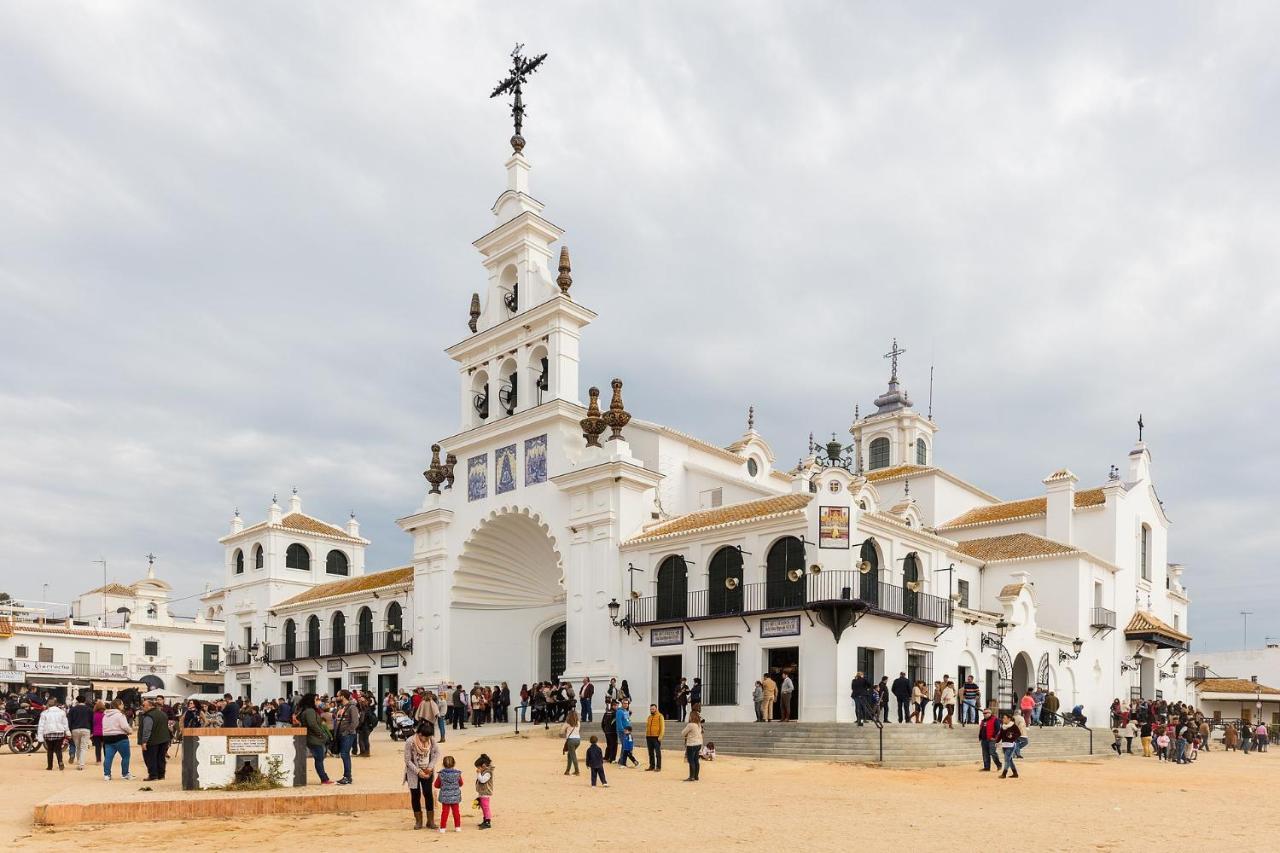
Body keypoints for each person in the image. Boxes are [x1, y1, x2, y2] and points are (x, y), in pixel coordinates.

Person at [404, 721, 438, 830]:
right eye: (426, 737)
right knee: (415, 795)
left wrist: (430, 767)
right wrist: (418, 771)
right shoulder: (410, 742)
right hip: (414, 772)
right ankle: (418, 821)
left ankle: (430, 820)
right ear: (420, 734)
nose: (427, 740)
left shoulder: (431, 740)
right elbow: (408, 760)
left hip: (427, 771)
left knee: (428, 793)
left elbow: (436, 754)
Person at [297, 694, 332, 785]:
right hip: (315, 738)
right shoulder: (310, 711)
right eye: (316, 699)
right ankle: (324, 779)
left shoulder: (305, 710)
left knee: (319, 759)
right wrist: (322, 734)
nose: (318, 701)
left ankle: (324, 778)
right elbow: (312, 724)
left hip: (312, 737)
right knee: (319, 759)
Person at [138, 697, 172, 781]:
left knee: (150, 758)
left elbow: (147, 729)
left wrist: (144, 742)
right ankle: (161, 775)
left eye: (144, 705)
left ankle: (153, 775)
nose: (142, 707)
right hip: (164, 739)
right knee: (161, 758)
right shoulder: (163, 714)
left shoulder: (149, 716)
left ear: (150, 706)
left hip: (152, 741)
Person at [101, 698, 134, 781]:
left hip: (107, 738)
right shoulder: (120, 715)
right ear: (118, 705)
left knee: (108, 757)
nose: (123, 706)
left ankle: (107, 774)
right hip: (120, 738)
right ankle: (125, 774)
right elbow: (125, 726)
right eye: (122, 704)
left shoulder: (105, 715)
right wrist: (130, 731)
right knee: (125, 756)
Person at [36, 696, 69, 771]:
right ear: (56, 704)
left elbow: (41, 725)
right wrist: (67, 731)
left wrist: (40, 736)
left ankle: (49, 766)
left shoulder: (44, 713)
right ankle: (60, 762)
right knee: (58, 749)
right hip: (59, 732)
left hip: (48, 733)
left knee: (50, 750)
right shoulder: (62, 712)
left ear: (48, 704)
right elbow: (65, 723)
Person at [334, 689, 359, 784]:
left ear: (343, 696)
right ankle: (346, 776)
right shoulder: (341, 707)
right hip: (340, 734)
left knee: (345, 754)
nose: (336, 698)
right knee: (343, 754)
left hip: (348, 735)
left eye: (338, 696)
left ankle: (347, 777)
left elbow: (355, 722)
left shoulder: (352, 707)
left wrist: (346, 731)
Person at [433, 755, 464, 833]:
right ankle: (458, 827)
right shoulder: (458, 774)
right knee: (456, 812)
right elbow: (461, 784)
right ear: (454, 763)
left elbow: (436, 785)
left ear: (443, 764)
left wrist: (443, 785)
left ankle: (443, 828)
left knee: (445, 812)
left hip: (445, 796)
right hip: (455, 796)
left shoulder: (441, 774)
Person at [67, 694, 93, 771]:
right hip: (86, 729)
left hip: (75, 729)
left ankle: (79, 762)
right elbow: (92, 721)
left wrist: (69, 730)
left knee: (77, 747)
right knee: (83, 747)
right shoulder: (89, 709)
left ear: (77, 701)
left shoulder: (72, 709)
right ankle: (81, 764)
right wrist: (92, 731)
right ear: (84, 701)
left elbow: (69, 720)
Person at [681, 711, 704, 781]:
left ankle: (691, 776)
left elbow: (682, 733)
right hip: (698, 744)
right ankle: (696, 776)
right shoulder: (698, 724)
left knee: (691, 761)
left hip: (691, 744)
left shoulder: (690, 725)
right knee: (696, 760)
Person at [998, 712, 1022, 778]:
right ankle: (1015, 773)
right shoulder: (1003, 726)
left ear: (1009, 719)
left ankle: (1004, 774)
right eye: (1003, 718)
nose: (1003, 719)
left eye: (1004, 718)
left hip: (1011, 745)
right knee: (1009, 760)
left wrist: (1012, 735)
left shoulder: (1013, 725)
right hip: (1004, 745)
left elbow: (1019, 734)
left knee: (1006, 759)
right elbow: (1000, 735)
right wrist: (996, 742)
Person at [474, 753, 494, 830]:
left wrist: (478, 773)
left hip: (486, 792)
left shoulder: (488, 772)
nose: (477, 769)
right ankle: (485, 820)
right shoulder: (484, 771)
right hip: (482, 793)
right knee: (483, 806)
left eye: (478, 767)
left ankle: (488, 822)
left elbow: (482, 780)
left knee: (486, 807)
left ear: (484, 765)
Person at [978, 707, 1001, 772]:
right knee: (985, 754)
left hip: (992, 740)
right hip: (984, 740)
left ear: (990, 713)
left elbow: (998, 729)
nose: (984, 714)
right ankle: (987, 767)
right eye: (983, 713)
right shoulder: (983, 721)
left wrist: (993, 736)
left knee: (992, 752)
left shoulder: (995, 720)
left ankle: (999, 764)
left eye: (985, 713)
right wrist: (980, 736)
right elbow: (981, 729)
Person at [645, 703, 664, 771]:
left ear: (656, 709)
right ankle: (652, 766)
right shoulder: (649, 717)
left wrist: (660, 736)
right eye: (651, 709)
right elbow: (647, 726)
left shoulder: (660, 716)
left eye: (653, 709)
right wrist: (646, 734)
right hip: (649, 736)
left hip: (656, 737)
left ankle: (658, 767)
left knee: (657, 753)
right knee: (650, 753)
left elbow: (662, 727)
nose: (652, 710)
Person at [562, 710, 581, 776]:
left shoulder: (567, 723)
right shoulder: (578, 723)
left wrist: (566, 732)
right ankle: (567, 770)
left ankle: (577, 770)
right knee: (570, 755)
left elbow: (562, 731)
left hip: (571, 740)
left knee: (573, 756)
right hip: (578, 739)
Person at [614, 700, 633, 765]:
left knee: (625, 746)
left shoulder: (626, 711)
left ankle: (621, 760)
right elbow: (619, 722)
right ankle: (622, 761)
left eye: (627, 703)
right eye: (624, 703)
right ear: (622, 704)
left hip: (628, 731)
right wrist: (623, 730)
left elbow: (627, 720)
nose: (626, 705)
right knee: (625, 745)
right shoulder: (619, 711)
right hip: (623, 732)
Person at [91, 699, 105, 764]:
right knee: (105, 747)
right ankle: (107, 759)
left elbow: (92, 723)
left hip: (96, 733)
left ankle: (98, 760)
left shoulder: (94, 715)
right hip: (104, 733)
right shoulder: (105, 715)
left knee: (98, 747)